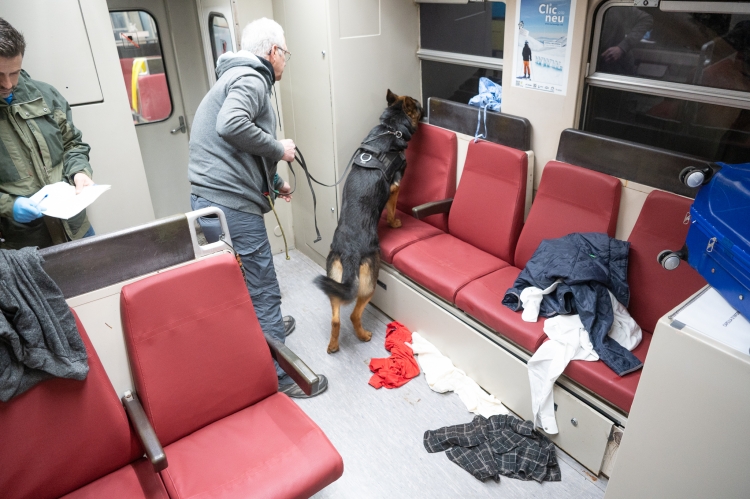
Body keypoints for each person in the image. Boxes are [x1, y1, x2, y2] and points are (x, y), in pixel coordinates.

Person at [188, 18, 328, 398]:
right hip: (230, 202)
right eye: (285, 53)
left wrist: (273, 181)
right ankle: (280, 376)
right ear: (273, 52)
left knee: (233, 278)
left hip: (206, 199)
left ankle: (260, 336)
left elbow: (234, 150)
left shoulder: (232, 76)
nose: (285, 60)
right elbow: (231, 126)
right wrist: (278, 149)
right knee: (263, 284)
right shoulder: (252, 79)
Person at [0, 18, 96, 250]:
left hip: (75, 228)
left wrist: (79, 171)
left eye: (15, 72)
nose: (8, 84)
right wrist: (8, 206)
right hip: (22, 243)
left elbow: (72, 144)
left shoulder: (45, 95)